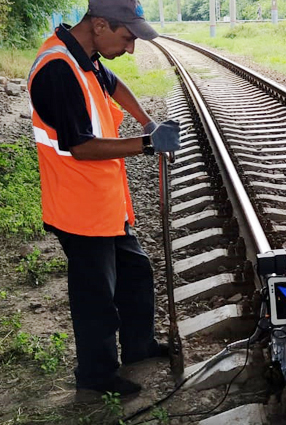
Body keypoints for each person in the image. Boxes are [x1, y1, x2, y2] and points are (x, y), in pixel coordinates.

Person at [27, 0, 181, 397]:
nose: (131, 49)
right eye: (127, 37)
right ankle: (95, 379)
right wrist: (148, 143)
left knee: (135, 274)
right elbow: (80, 147)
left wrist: (148, 120)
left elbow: (113, 85)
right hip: (78, 209)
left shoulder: (86, 56)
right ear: (99, 24)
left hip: (106, 203)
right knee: (96, 298)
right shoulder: (58, 69)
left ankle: (138, 346)